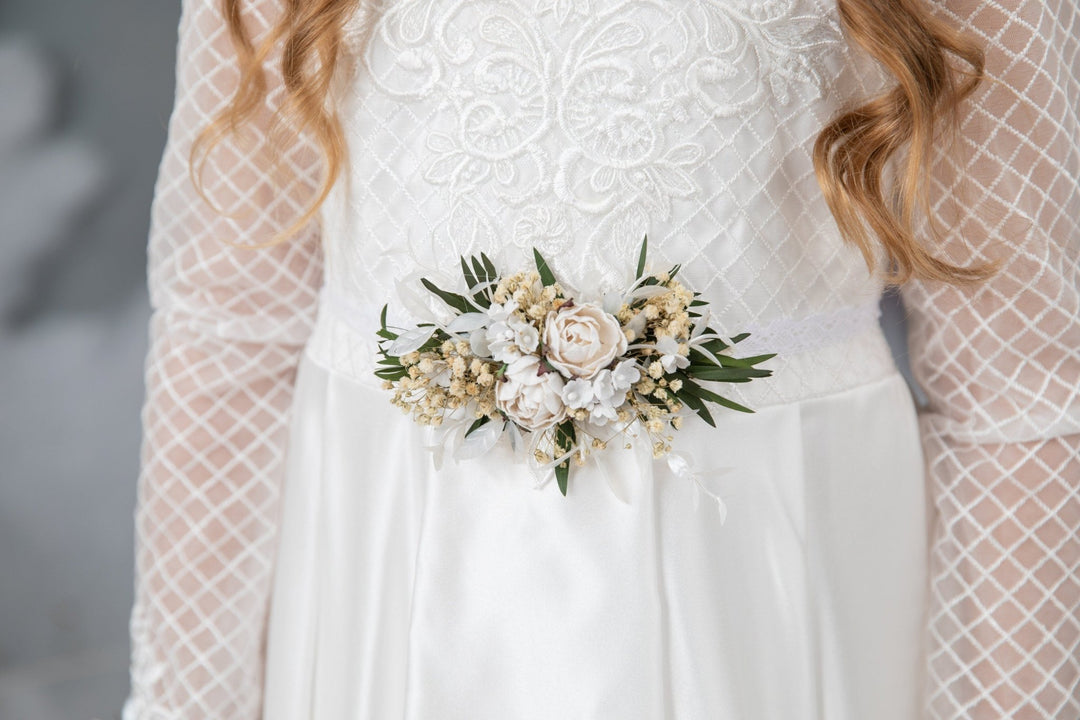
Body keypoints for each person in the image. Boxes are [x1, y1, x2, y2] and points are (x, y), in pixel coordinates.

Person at [123, 0, 1080, 718]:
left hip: (762, 579)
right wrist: (187, 701)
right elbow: (229, 328)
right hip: (386, 564)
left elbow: (1019, 388)